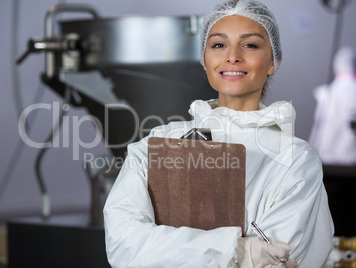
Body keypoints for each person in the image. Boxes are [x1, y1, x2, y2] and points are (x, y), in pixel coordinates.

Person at [104, 0, 334, 267]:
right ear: (205, 59)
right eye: (218, 45)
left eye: (250, 45)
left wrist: (167, 246)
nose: (232, 56)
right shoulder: (158, 143)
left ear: (273, 62)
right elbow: (124, 245)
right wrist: (236, 250)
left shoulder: (295, 159)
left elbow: (276, 259)